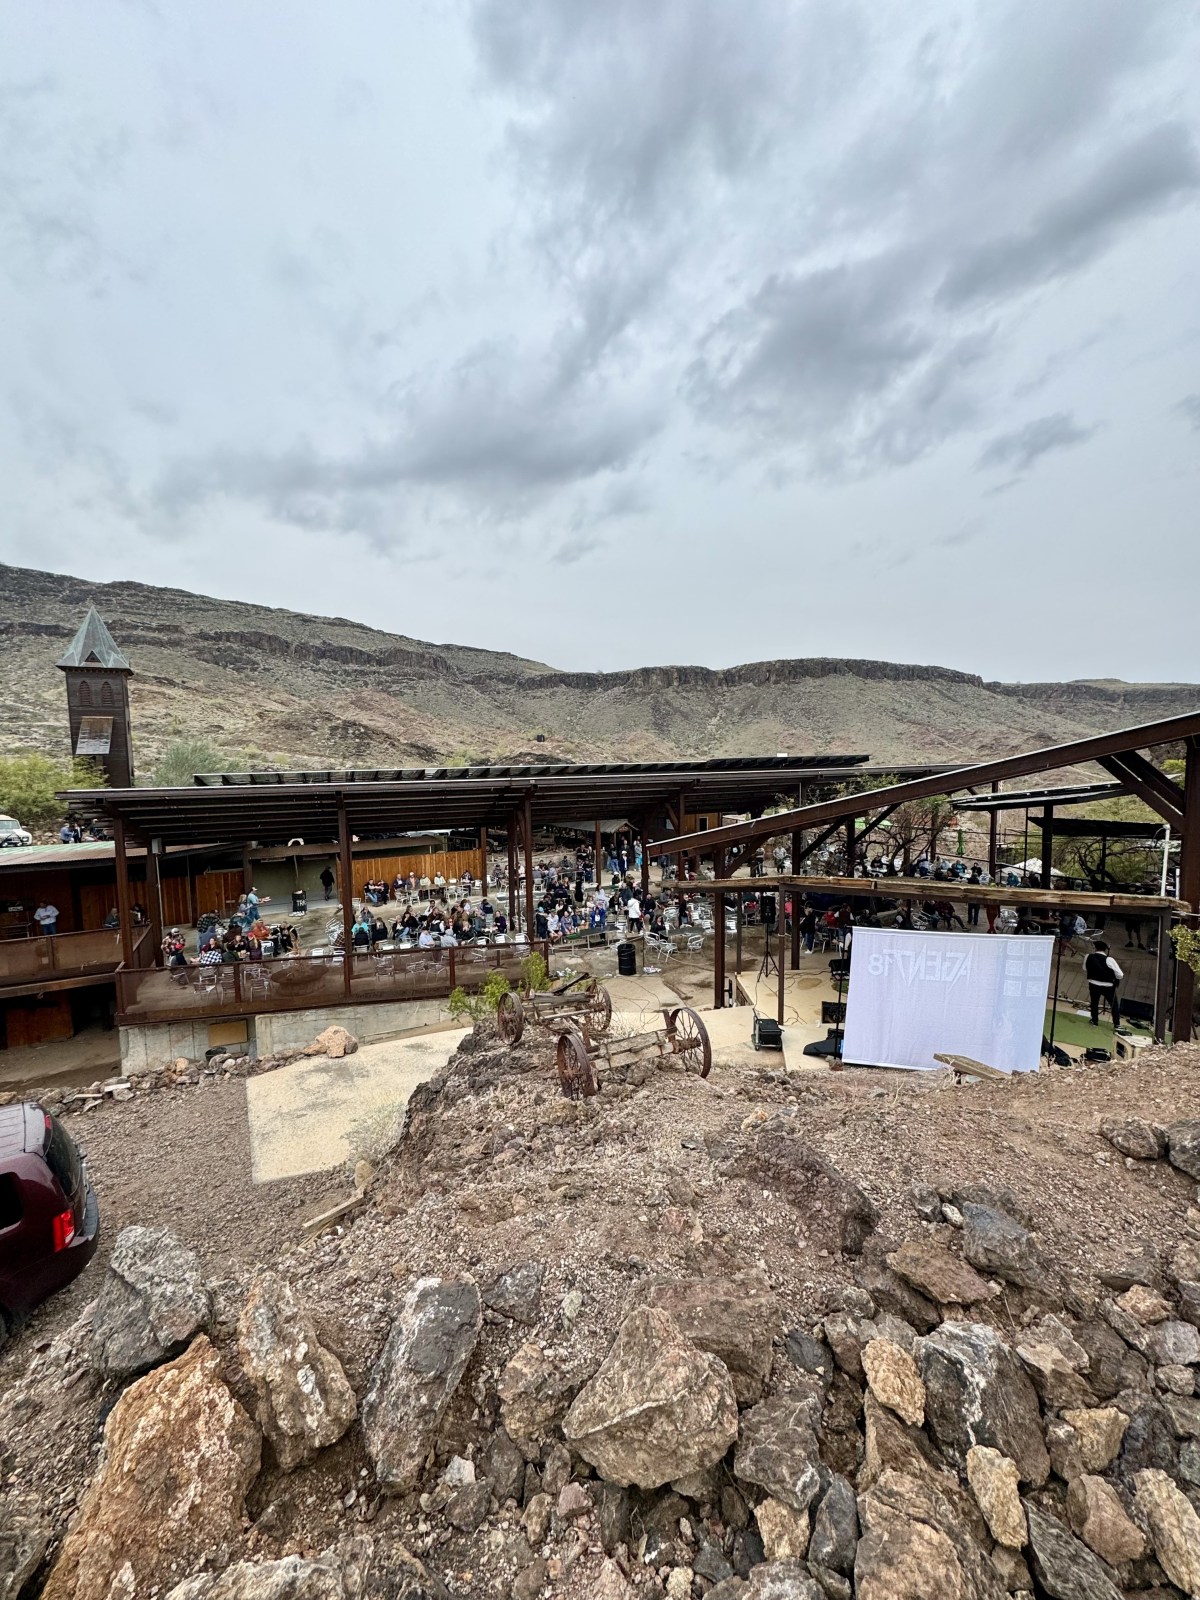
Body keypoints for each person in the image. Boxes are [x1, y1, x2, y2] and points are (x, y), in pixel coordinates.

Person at [1085, 941, 1124, 1029]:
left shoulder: (1088, 957)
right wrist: (1112, 976)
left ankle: (1094, 1021)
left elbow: (1085, 968)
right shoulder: (1109, 959)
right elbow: (1120, 975)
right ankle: (1117, 1024)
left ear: (1095, 948)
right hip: (1108, 985)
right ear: (1105, 950)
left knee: (1094, 1002)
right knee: (1114, 1004)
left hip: (1093, 983)